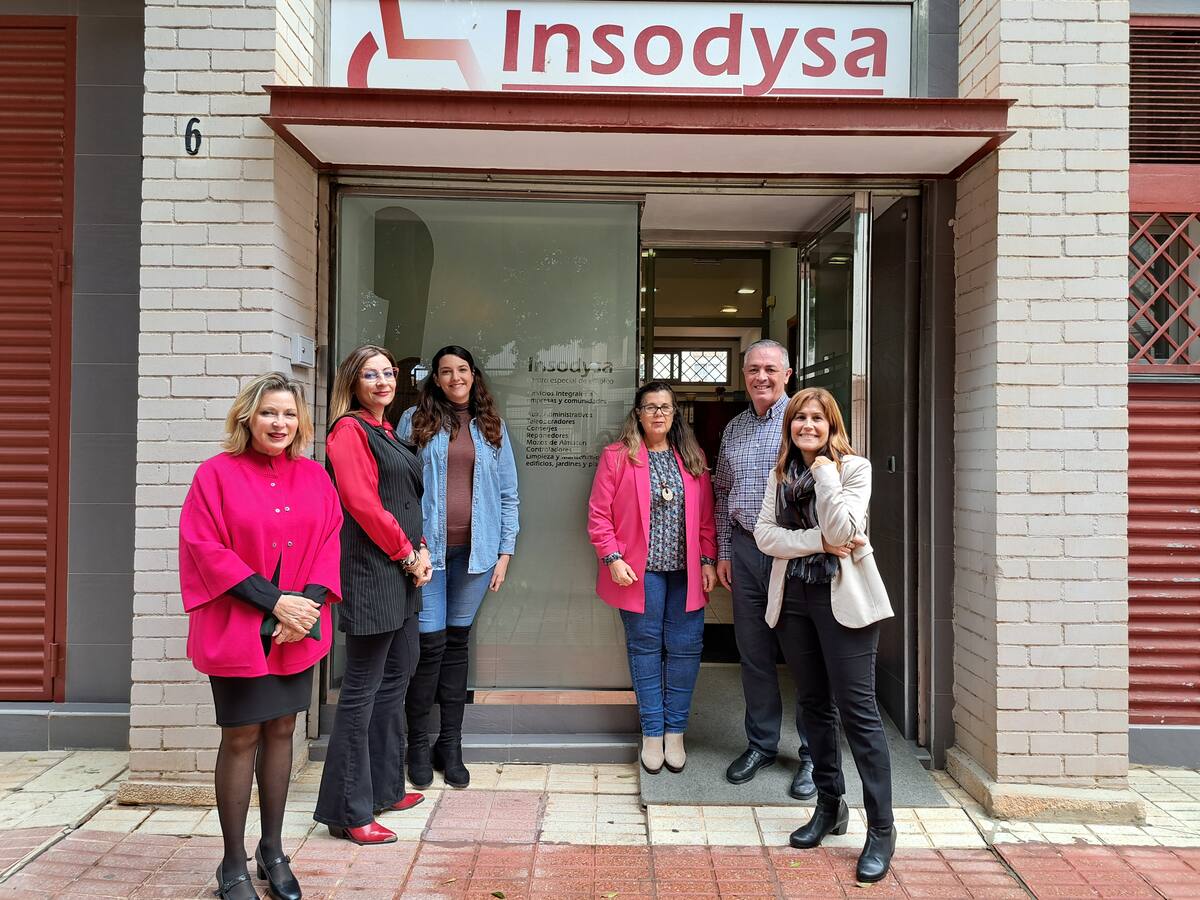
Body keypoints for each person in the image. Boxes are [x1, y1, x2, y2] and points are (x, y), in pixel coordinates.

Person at [179, 372, 342, 900]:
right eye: (270, 412)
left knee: (282, 730)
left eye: (289, 414)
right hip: (239, 625)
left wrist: (304, 610)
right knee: (241, 735)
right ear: (248, 417)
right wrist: (275, 603)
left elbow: (330, 541)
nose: (279, 423)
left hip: (297, 629)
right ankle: (232, 862)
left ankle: (273, 851)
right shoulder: (215, 475)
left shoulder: (315, 476)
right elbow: (205, 548)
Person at [754, 387, 896, 883]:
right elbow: (765, 535)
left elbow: (844, 529)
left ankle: (881, 829)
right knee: (813, 706)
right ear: (789, 426)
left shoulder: (854, 469)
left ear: (832, 424)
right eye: (799, 418)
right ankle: (830, 806)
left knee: (859, 714)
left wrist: (822, 470)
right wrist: (815, 541)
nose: (807, 426)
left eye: (817, 418)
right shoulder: (779, 474)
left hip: (844, 601)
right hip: (794, 599)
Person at [315, 345, 433, 845]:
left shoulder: (385, 430)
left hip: (402, 570)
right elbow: (362, 503)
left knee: (399, 674)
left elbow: (403, 500)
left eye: (388, 373)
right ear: (353, 382)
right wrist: (407, 554)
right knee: (362, 690)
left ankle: (384, 787)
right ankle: (346, 809)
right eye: (370, 374)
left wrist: (421, 548)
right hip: (373, 573)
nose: (383, 381)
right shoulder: (348, 430)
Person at [399, 345, 519, 790]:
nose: (455, 378)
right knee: (428, 648)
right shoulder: (414, 420)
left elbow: (508, 494)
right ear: (436, 378)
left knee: (456, 646)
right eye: (446, 371)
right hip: (427, 556)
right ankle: (416, 745)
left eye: (462, 370)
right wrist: (408, 548)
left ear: (473, 375)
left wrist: (504, 553)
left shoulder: (491, 425)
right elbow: (398, 487)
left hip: (477, 554)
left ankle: (450, 746)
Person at [587, 381, 718, 774]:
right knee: (645, 649)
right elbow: (598, 515)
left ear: (675, 414)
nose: (658, 414)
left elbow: (706, 518)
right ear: (638, 414)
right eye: (650, 407)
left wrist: (708, 561)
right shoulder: (617, 457)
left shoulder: (692, 457)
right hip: (638, 573)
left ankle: (675, 731)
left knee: (685, 650)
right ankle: (652, 732)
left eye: (665, 407)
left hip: (685, 572)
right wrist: (612, 558)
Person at [712, 339, 815, 798]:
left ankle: (814, 754)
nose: (761, 377)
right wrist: (724, 551)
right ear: (744, 374)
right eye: (753, 369)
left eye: (771, 369)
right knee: (753, 653)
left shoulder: (803, 420)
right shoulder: (734, 428)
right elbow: (721, 492)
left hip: (794, 551)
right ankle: (761, 744)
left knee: (804, 655)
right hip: (745, 548)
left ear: (787, 374)